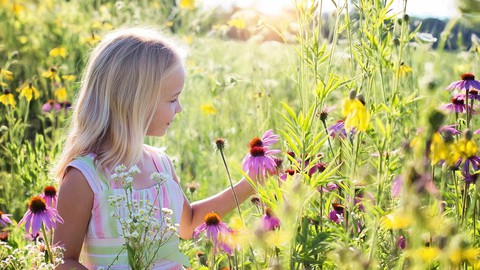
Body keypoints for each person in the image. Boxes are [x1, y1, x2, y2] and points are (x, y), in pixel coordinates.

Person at [53, 27, 256, 270]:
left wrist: (250, 183)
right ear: (135, 101)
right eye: (172, 99)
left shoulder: (160, 163)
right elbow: (63, 261)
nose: (179, 108)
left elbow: (188, 224)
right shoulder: (85, 177)